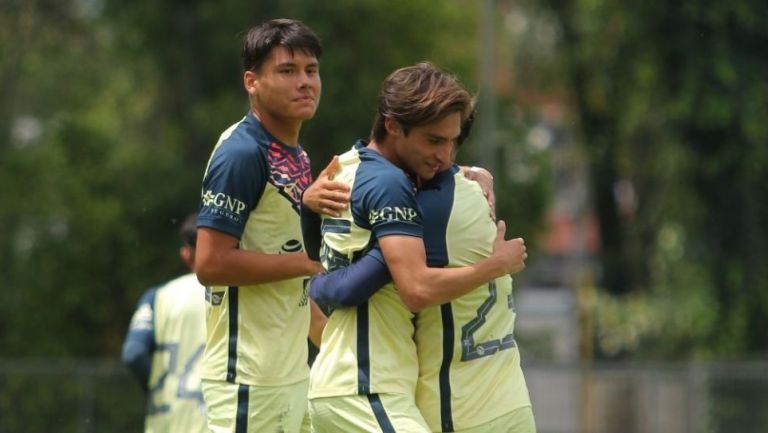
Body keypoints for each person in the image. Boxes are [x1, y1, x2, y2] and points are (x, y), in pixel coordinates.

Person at [302, 62, 528, 432]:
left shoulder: (344, 166)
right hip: (367, 388)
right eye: (434, 141)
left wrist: (305, 203)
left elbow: (330, 274)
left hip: (345, 385)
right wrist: (495, 265)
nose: (446, 156)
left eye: (453, 141)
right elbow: (416, 288)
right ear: (393, 124)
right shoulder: (392, 186)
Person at [194, 18, 340, 433]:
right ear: (251, 82)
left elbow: (287, 266)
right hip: (248, 382)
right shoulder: (242, 153)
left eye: (311, 70)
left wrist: (334, 344)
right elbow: (211, 263)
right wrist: (309, 266)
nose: (305, 83)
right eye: (287, 71)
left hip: (288, 374)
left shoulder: (297, 155)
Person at [121, 212, 208, 433]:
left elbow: (133, 353)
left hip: (166, 420)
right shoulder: (238, 294)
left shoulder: (157, 296)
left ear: (186, 255)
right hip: (217, 419)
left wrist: (157, 390)